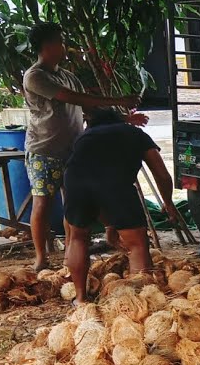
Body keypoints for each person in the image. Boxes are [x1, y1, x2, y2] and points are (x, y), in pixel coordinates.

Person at [22, 22, 144, 270]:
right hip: (44, 150)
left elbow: (88, 108)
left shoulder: (67, 76)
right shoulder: (35, 76)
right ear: (48, 45)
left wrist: (122, 118)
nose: (65, 46)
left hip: (73, 149)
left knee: (73, 204)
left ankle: (71, 253)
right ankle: (41, 257)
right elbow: (73, 98)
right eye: (61, 40)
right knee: (42, 202)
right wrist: (118, 100)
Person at [62, 108, 180, 305]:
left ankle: (81, 299)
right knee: (137, 245)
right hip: (116, 184)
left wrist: (110, 226)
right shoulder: (135, 133)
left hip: (75, 183)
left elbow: (93, 183)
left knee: (78, 238)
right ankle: (140, 304)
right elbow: (161, 174)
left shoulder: (85, 136)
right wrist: (168, 203)